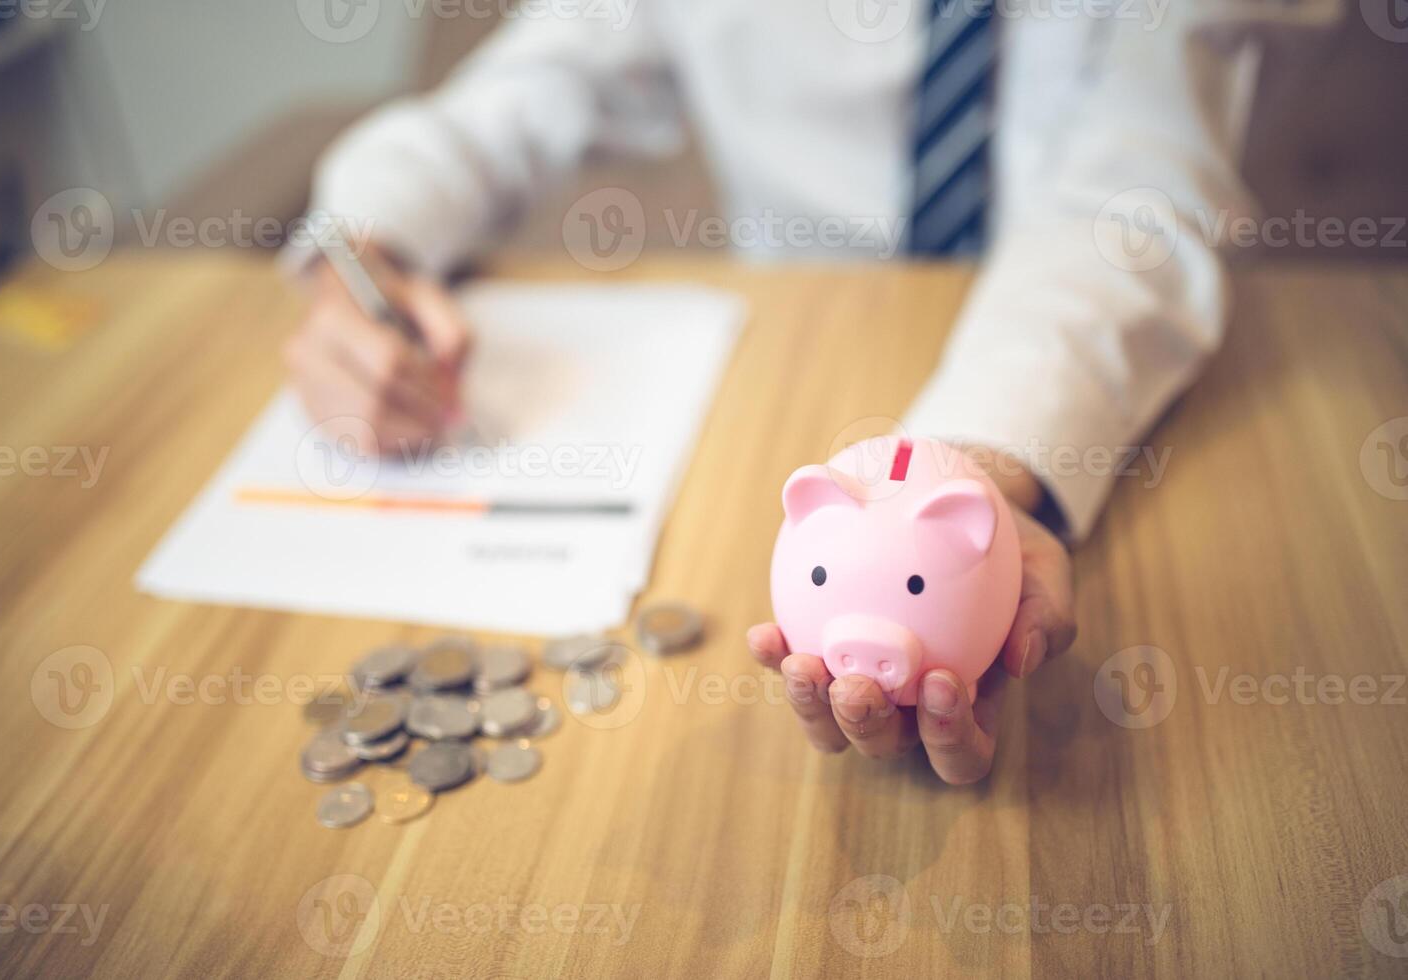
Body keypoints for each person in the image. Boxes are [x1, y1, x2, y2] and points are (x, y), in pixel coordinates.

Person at [284, 0, 1265, 783]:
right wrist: (366, 250)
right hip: (786, 359)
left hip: (1057, 370)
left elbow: (1140, 192)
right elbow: (521, 89)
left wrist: (988, 464)